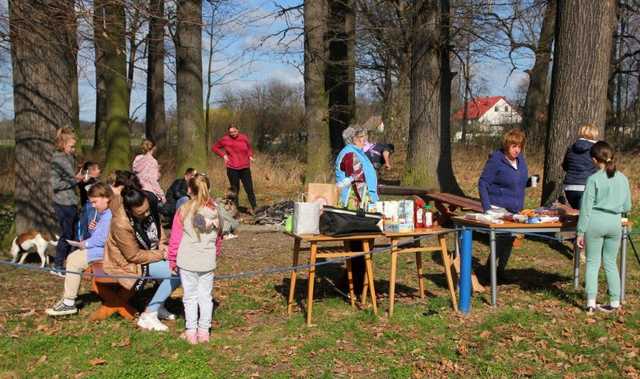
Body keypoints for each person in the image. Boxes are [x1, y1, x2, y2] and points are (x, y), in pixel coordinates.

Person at [103, 186, 180, 331]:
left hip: (149, 255)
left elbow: (157, 227)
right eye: (140, 213)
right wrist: (162, 254)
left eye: (147, 210)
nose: (146, 214)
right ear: (129, 210)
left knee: (177, 268)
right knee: (175, 273)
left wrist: (162, 244)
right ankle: (149, 314)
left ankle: (158, 306)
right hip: (127, 263)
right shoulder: (120, 223)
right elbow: (133, 255)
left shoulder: (149, 203)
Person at [576, 141, 631, 313]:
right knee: (610, 262)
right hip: (615, 223)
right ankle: (614, 301)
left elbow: (585, 209)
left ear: (594, 159)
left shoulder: (593, 179)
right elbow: (627, 206)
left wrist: (580, 232)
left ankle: (591, 302)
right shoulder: (623, 178)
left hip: (595, 222)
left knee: (592, 262)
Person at [168, 174, 223, 344]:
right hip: (206, 260)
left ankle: (191, 332)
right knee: (205, 297)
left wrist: (172, 258)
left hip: (187, 260)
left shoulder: (183, 210)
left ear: (189, 190)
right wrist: (215, 253)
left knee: (190, 297)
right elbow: (219, 238)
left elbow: (175, 238)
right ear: (209, 189)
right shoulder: (216, 212)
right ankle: (204, 332)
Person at [45, 183, 114, 316]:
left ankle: (69, 302)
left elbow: (101, 240)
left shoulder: (109, 215)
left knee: (74, 259)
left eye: (95, 202)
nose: (93, 206)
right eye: (91, 202)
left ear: (106, 198)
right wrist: (94, 229)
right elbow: (100, 235)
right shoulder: (105, 214)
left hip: (108, 252)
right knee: (74, 257)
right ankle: (67, 299)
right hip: (104, 249)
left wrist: (85, 244)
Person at [478, 128, 529, 280]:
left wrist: (530, 181)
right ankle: (489, 271)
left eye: (519, 146)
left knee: (510, 240)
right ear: (507, 145)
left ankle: (500, 271)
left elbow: (518, 182)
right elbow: (483, 183)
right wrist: (487, 208)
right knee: (502, 239)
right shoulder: (496, 160)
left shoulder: (521, 162)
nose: (517, 150)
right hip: (497, 207)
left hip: (515, 208)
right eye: (514, 146)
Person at [335, 126, 380, 293]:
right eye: (360, 138)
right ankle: (356, 286)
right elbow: (357, 181)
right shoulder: (350, 154)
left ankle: (353, 284)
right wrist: (367, 204)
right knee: (360, 246)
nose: (364, 141)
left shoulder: (356, 152)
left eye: (364, 138)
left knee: (361, 246)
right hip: (356, 206)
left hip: (360, 204)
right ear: (351, 140)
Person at [51, 127, 82, 273]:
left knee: (75, 235)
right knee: (66, 235)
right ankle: (57, 265)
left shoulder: (69, 158)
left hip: (72, 202)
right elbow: (55, 184)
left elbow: (70, 177)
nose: (73, 149)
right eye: (71, 146)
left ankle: (71, 264)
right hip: (62, 203)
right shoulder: (57, 160)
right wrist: (74, 180)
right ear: (63, 144)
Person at [212, 124, 257, 214]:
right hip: (232, 168)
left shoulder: (244, 137)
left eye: (234, 131)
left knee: (249, 189)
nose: (233, 134)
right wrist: (223, 155)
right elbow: (214, 147)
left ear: (238, 130)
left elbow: (248, 148)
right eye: (231, 132)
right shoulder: (225, 139)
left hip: (245, 167)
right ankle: (235, 210)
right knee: (235, 190)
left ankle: (255, 208)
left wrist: (250, 156)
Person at [336, 127, 380, 209]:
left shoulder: (359, 153)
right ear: (354, 139)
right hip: (354, 202)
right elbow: (357, 179)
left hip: (363, 200)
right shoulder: (350, 153)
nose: (365, 141)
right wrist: (364, 201)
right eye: (362, 137)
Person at [562, 124, 599, 209]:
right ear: (594, 134)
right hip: (586, 186)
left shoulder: (571, 147)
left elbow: (565, 166)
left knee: (577, 214)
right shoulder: (596, 148)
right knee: (586, 216)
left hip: (569, 187)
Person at [132, 139, 166, 208]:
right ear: (154, 148)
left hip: (137, 191)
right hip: (149, 192)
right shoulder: (153, 162)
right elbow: (152, 181)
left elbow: (136, 172)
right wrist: (162, 196)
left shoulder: (137, 158)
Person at [77, 161, 102, 240]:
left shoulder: (95, 181)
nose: (100, 170)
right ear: (92, 171)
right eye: (98, 169)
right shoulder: (87, 181)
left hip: (92, 207)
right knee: (88, 225)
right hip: (89, 207)